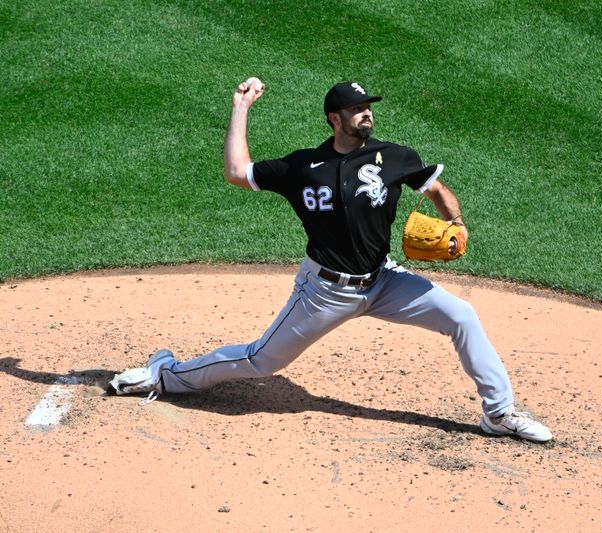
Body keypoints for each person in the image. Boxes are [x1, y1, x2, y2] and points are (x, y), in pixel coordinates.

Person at [109, 78, 552, 443]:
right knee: (263, 361)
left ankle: (498, 414)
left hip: (383, 281)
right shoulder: (304, 167)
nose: (367, 113)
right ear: (334, 119)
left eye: (368, 107)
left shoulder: (395, 156)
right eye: (357, 108)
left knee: (462, 315)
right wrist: (240, 107)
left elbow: (434, 188)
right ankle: (164, 374)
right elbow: (236, 172)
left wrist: (456, 222)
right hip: (325, 291)